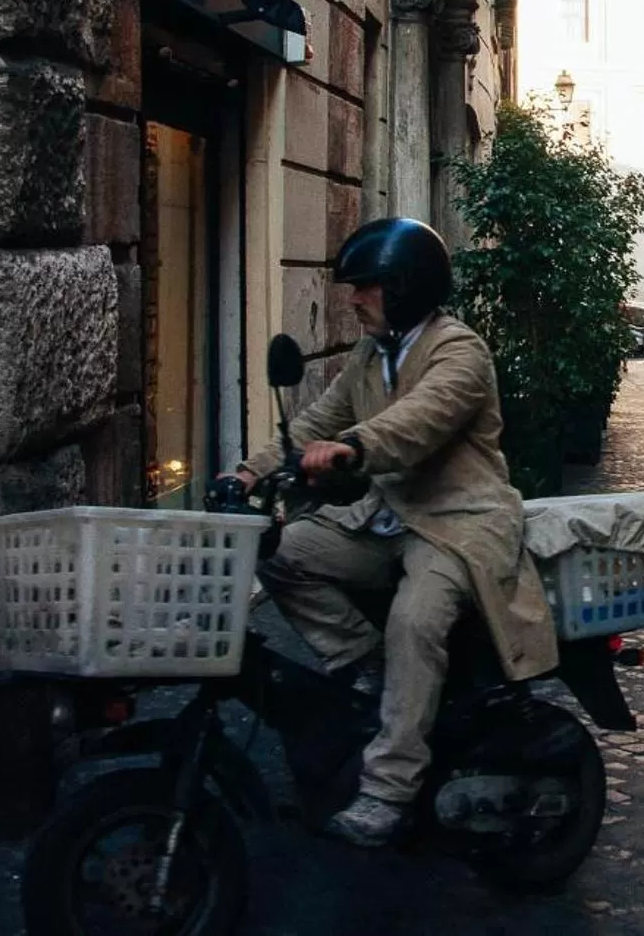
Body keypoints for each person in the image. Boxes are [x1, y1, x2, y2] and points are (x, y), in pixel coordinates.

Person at [227, 217, 558, 848]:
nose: (353, 299)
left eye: (367, 287)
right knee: (280, 549)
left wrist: (351, 448)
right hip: (387, 519)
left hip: (459, 523)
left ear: (405, 287)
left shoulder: (461, 351)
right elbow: (313, 421)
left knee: (415, 618)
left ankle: (389, 790)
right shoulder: (369, 358)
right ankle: (363, 660)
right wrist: (247, 472)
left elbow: (417, 421)